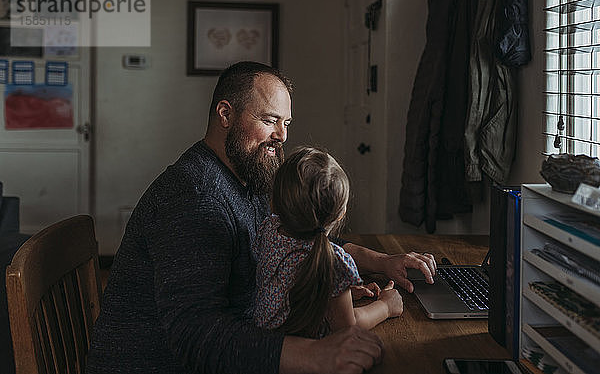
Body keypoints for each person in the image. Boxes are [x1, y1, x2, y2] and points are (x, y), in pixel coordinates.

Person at [86, 61, 436, 374]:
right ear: (225, 115)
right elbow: (197, 336)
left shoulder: (243, 173)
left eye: (285, 123)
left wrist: (382, 261)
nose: (282, 136)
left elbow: (302, 237)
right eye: (270, 120)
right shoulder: (195, 198)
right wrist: (315, 355)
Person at [253, 147, 404, 338]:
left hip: (264, 341)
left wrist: (330, 294)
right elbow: (348, 327)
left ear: (274, 202)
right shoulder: (335, 262)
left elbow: (288, 286)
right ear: (340, 214)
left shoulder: (269, 230)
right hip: (305, 351)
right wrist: (386, 307)